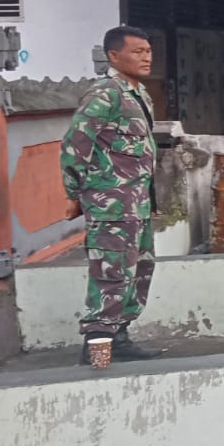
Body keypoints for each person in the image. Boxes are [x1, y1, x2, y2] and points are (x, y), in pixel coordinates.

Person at [61, 25, 162, 368]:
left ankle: (119, 337)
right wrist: (76, 193)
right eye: (138, 52)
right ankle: (96, 348)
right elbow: (75, 146)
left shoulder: (140, 95)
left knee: (139, 269)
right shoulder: (105, 94)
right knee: (111, 273)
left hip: (137, 203)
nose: (146, 57)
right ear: (114, 56)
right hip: (111, 205)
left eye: (148, 51)